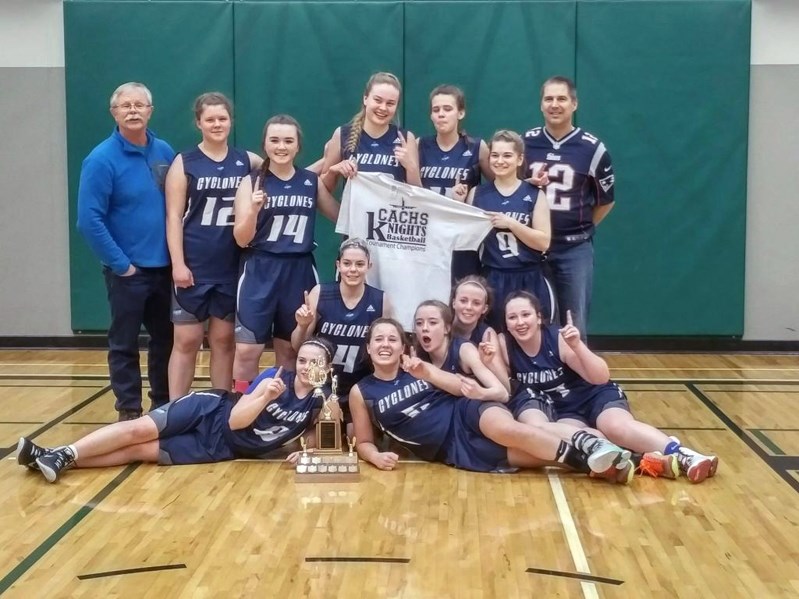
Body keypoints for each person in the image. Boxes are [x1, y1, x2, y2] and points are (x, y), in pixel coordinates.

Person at [348, 318, 634, 482]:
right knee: (539, 459)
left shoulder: (418, 366)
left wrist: (428, 373)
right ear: (369, 347)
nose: (385, 345)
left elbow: (461, 389)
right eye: (379, 340)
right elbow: (363, 441)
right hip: (452, 447)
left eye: (392, 339)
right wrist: (374, 456)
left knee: (512, 430)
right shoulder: (362, 391)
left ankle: (594, 444)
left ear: (403, 346)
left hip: (466, 411)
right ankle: (617, 461)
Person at [16, 338, 336, 483]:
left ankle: (52, 457)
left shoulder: (324, 400)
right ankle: (64, 453)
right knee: (138, 429)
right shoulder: (275, 377)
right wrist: (265, 397)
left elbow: (318, 436)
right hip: (210, 411)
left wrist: (308, 451)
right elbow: (237, 420)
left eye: (315, 362)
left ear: (328, 367)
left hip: (218, 448)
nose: (307, 367)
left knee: (139, 451)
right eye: (303, 360)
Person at [492, 291, 719, 483]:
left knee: (616, 427)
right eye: (512, 317)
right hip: (562, 410)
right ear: (506, 322)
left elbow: (600, 376)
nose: (520, 322)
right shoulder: (504, 345)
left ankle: (685, 455)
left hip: (592, 394)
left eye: (525, 314)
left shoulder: (558, 338)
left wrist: (578, 346)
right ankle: (645, 460)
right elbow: (505, 388)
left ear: (539, 317)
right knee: (582, 439)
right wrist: (489, 360)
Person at [76, 82, 175, 421]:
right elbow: (88, 220)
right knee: (124, 344)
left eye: (140, 105)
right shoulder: (101, 159)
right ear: (114, 113)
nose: (133, 111)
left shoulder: (164, 151)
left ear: (150, 110)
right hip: (128, 273)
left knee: (167, 341)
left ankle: (162, 406)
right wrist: (122, 265)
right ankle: (129, 410)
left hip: (166, 271)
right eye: (126, 106)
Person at [165, 92, 262, 398]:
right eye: (210, 119)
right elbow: (173, 216)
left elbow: (291, 174)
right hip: (194, 265)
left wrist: (329, 165)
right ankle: (175, 412)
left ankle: (218, 412)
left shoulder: (247, 161)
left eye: (222, 118)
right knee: (187, 340)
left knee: (223, 341)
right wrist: (178, 264)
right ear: (199, 123)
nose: (217, 124)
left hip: (231, 266)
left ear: (231, 121)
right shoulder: (184, 162)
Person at [232, 115, 340, 385]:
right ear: (265, 145)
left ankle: (289, 410)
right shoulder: (251, 182)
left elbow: (341, 217)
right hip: (259, 268)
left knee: (291, 349)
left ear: (298, 146)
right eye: (275, 140)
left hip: (298, 270)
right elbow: (241, 239)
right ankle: (241, 408)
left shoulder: (310, 182)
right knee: (246, 350)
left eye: (288, 141)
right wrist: (253, 212)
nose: (281, 146)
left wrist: (345, 174)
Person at [524, 76, 616, 338]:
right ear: (541, 104)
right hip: (531, 247)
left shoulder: (592, 148)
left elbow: (606, 201)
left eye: (561, 99)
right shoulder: (525, 143)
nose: (555, 105)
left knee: (573, 322)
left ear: (574, 104)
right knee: (530, 319)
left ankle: (578, 379)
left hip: (573, 249)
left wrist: (580, 229)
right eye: (549, 99)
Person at [456, 130, 555, 329]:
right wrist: (458, 204)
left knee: (534, 333)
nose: (500, 161)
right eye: (495, 155)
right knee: (494, 336)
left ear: (520, 160)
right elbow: (465, 239)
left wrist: (512, 224)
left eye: (507, 155)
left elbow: (544, 242)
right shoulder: (477, 194)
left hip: (529, 275)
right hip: (493, 276)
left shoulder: (534, 194)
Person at [291, 238, 393, 419]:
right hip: (321, 384)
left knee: (356, 436)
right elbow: (298, 346)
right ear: (338, 265)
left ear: (369, 266)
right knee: (324, 437)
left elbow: (386, 350)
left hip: (362, 384)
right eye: (347, 263)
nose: (353, 269)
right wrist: (303, 325)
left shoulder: (380, 300)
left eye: (359, 264)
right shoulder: (320, 293)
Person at [418, 85, 490, 282]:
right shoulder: (419, 145)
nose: (441, 114)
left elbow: (499, 185)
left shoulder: (477, 148)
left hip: (461, 238)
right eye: (436, 110)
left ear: (461, 112)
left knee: (462, 293)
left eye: (447, 109)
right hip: (427, 236)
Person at [321, 72, 421, 189]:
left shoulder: (406, 138)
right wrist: (333, 171)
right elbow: (323, 189)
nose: (383, 108)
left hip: (391, 206)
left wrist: (411, 167)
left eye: (390, 103)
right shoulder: (342, 134)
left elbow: (418, 196)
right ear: (365, 99)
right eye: (378, 100)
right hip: (355, 207)